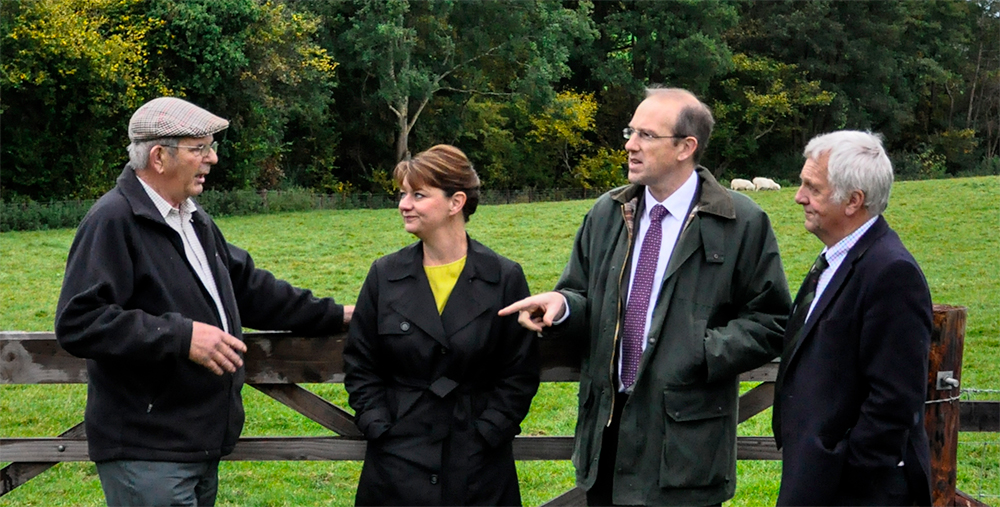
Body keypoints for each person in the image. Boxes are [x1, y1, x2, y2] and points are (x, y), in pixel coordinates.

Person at [54, 96, 353, 507]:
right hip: (148, 451)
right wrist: (182, 336)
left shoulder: (192, 218)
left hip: (195, 447)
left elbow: (250, 289)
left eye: (210, 146)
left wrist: (338, 314)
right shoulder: (113, 219)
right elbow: (79, 321)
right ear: (159, 156)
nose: (212, 158)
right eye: (200, 148)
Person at [499, 87, 791, 506]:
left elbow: (772, 320)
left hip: (684, 446)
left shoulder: (740, 221)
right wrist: (563, 308)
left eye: (646, 136)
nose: (630, 145)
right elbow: (579, 293)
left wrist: (699, 351)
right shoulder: (607, 213)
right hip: (607, 435)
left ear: (685, 147)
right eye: (630, 131)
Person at [344, 145, 540, 506]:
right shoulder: (384, 275)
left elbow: (520, 372)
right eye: (403, 194)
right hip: (396, 464)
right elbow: (360, 364)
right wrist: (378, 425)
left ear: (456, 202)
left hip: (478, 465)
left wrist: (489, 432)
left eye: (418, 195)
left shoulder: (503, 277)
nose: (404, 204)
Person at [772, 130, 933, 506]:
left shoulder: (891, 273)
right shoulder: (835, 259)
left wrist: (843, 468)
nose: (799, 198)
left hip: (855, 491)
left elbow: (895, 400)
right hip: (817, 478)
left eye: (813, 188)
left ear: (853, 201)